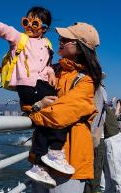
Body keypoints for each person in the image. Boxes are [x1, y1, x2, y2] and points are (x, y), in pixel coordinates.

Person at [0, 5, 74, 187]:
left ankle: (40, 165)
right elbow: (3, 29)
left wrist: (51, 71)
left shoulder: (47, 44)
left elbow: (47, 65)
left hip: (42, 85)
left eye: (34, 22)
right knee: (59, 111)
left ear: (44, 28)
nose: (28, 25)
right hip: (27, 86)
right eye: (26, 21)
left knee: (48, 119)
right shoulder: (21, 38)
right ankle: (55, 152)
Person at [22, 22, 102, 192]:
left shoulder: (86, 80)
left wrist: (33, 112)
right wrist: (36, 106)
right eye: (61, 37)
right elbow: (27, 98)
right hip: (42, 160)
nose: (60, 40)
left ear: (80, 47)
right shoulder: (52, 71)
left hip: (70, 161)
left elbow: (59, 114)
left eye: (66, 39)